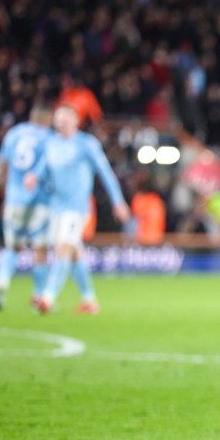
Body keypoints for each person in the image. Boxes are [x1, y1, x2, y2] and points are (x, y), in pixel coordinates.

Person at [26, 104, 130, 314]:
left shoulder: (86, 144)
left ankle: (47, 297)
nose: (60, 123)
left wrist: (118, 201)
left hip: (77, 208)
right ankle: (89, 300)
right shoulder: (51, 143)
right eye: (58, 120)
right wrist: (34, 176)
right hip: (56, 208)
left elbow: (106, 173)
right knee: (75, 253)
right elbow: (44, 166)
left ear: (75, 121)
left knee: (63, 247)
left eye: (64, 120)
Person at [0, 106, 53, 310]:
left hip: (14, 200)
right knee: (40, 249)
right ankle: (39, 296)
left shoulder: (14, 133)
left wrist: (4, 197)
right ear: (47, 118)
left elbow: (3, 167)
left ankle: (1, 285)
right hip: (39, 201)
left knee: (12, 247)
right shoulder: (48, 137)